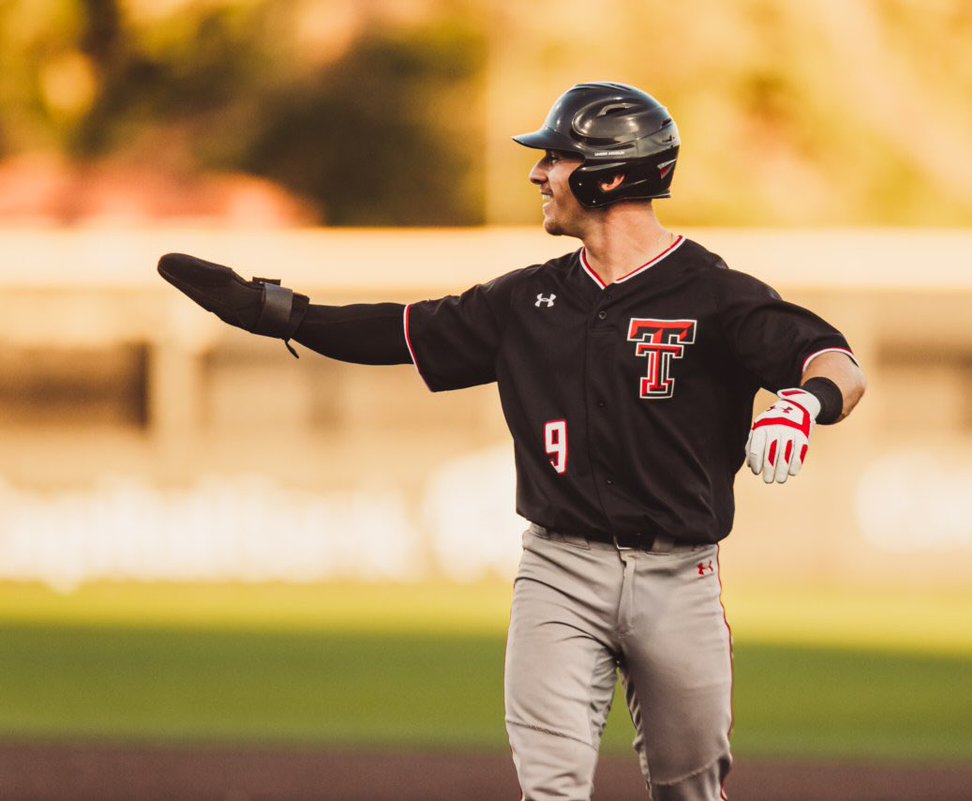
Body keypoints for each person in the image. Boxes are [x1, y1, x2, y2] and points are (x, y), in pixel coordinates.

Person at [158, 81, 866, 801]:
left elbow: (836, 361)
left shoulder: (715, 294)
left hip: (679, 579)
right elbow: (397, 330)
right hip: (559, 571)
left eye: (553, 158)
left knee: (690, 791)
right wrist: (276, 313)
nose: (537, 174)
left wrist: (804, 402)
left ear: (609, 174)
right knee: (550, 790)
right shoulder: (527, 300)